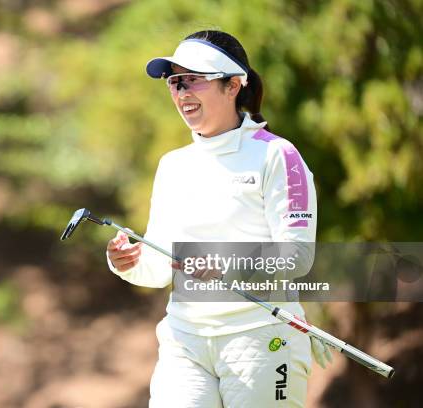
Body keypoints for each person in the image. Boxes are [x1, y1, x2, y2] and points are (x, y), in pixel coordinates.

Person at [106, 30, 332, 407]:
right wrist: (127, 263)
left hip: (263, 338)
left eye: (193, 80)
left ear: (234, 85)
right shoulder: (173, 165)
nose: (181, 93)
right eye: (174, 82)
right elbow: (161, 267)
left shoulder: (278, 156)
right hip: (185, 340)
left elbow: (297, 257)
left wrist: (225, 262)